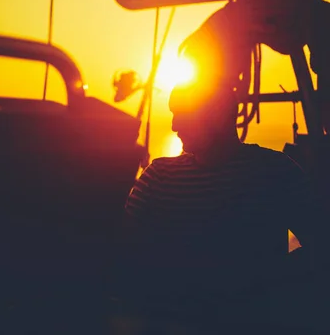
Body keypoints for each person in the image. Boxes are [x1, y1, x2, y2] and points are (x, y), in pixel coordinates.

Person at [123, 79, 330, 299]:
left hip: (252, 324)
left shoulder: (277, 172)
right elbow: (125, 249)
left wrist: (265, 279)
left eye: (183, 114)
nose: (174, 126)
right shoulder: (158, 177)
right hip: (170, 321)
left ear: (217, 116)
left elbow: (320, 244)